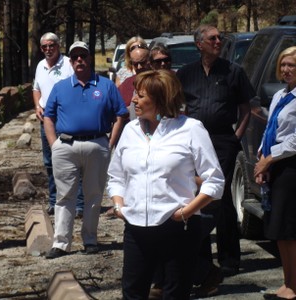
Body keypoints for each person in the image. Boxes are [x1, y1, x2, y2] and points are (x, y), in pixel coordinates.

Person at [107, 70, 224, 300]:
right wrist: (119, 206)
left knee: (175, 293)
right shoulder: (130, 131)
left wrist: (186, 212)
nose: (133, 100)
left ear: (160, 99)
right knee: (132, 293)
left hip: (178, 228)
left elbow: (215, 180)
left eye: (140, 96)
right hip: (136, 228)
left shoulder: (190, 128)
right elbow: (116, 177)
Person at [176, 24, 255, 297]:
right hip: (193, 142)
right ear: (200, 44)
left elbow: (246, 108)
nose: (218, 41)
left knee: (219, 198)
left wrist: (236, 138)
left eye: (220, 38)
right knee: (196, 198)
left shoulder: (234, 72)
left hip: (223, 141)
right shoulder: (185, 74)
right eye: (213, 38)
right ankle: (202, 262)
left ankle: (230, 258)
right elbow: (178, 108)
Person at [43, 41, 128, 259]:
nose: (79, 60)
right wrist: (54, 144)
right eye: (75, 57)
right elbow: (48, 116)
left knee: (94, 194)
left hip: (97, 144)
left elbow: (121, 114)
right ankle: (61, 243)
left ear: (89, 58)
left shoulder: (106, 85)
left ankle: (90, 239)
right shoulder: (60, 87)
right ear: (70, 61)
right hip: (65, 146)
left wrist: (109, 143)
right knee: (64, 195)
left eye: (83, 56)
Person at [254, 46, 296, 300]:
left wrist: (269, 159)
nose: (286, 70)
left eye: (291, 65)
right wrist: (261, 158)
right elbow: (270, 128)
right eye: (283, 65)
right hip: (275, 165)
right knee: (279, 228)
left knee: (290, 228)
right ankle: (287, 280)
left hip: (291, 167)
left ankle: (294, 285)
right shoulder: (281, 94)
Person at [32, 32, 84, 217]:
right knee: (50, 162)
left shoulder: (68, 64)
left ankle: (78, 204)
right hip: (46, 121)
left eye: (51, 45)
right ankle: (54, 202)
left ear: (58, 46)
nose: (48, 49)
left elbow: (79, 86)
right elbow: (36, 88)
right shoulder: (40, 66)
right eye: (44, 46)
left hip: (65, 120)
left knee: (72, 160)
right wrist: (37, 105)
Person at [118, 38, 150, 121]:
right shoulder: (127, 83)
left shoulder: (159, 81)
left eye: (142, 62)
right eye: (135, 64)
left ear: (149, 60)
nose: (139, 67)